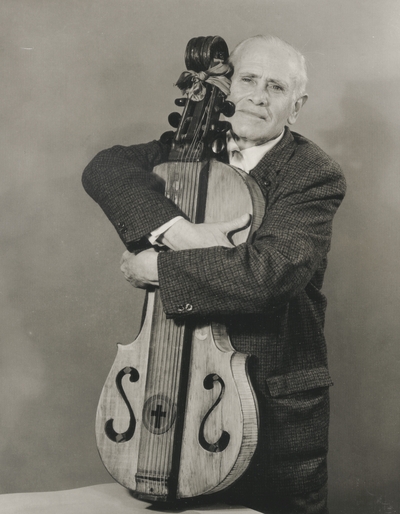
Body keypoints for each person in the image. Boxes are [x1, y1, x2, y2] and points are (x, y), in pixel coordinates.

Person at [82, 35, 346, 514]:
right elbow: (106, 167)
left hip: (271, 410)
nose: (258, 96)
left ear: (296, 105)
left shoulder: (311, 174)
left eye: (276, 87)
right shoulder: (184, 150)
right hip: (172, 392)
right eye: (247, 80)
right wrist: (181, 233)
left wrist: (158, 265)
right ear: (224, 86)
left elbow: (266, 275)